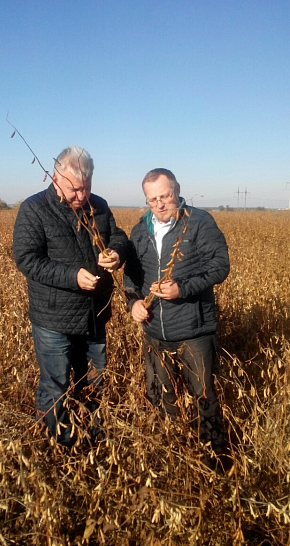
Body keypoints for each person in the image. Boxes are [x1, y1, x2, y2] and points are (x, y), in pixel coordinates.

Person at [13, 146, 128, 447]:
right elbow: (27, 259)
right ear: (54, 178)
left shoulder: (98, 206)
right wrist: (72, 277)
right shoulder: (34, 209)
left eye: (86, 188)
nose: (81, 196)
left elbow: (118, 236)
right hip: (54, 320)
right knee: (56, 386)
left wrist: (116, 253)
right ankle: (58, 443)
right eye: (74, 189)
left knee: (93, 381)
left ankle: (92, 439)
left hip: (95, 316)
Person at [123, 168, 230, 462]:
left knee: (204, 399)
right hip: (154, 333)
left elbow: (220, 266)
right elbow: (130, 278)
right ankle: (173, 457)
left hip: (194, 332)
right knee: (161, 397)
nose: (159, 204)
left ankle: (214, 463)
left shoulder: (198, 222)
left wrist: (181, 289)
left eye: (165, 196)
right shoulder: (139, 230)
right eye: (152, 199)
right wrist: (132, 303)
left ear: (177, 192)